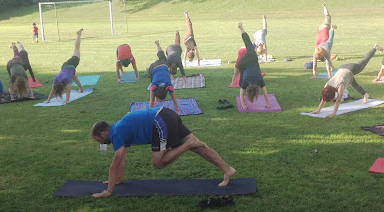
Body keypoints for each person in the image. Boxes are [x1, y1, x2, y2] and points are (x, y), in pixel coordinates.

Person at [89, 107, 237, 198]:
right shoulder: (119, 129)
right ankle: (227, 169)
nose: (101, 144)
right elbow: (122, 160)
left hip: (160, 121)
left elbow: (116, 162)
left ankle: (187, 145)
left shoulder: (117, 133)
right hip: (166, 114)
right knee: (199, 147)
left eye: (98, 141)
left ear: (103, 133)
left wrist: (109, 190)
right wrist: (117, 179)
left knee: (158, 162)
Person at [313, 44, 383, 116]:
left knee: (364, 61)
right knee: (354, 85)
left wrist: (334, 113)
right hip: (343, 69)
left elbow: (338, 101)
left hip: (351, 69)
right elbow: (324, 98)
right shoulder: (327, 86)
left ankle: (375, 48)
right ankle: (366, 95)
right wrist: (318, 110)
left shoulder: (340, 86)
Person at [238, 22, 271, 110]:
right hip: (245, 63)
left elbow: (241, 94)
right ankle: (241, 29)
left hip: (248, 60)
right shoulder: (249, 81)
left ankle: (241, 29)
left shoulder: (259, 79)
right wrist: (268, 104)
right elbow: (265, 94)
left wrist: (243, 105)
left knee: (248, 43)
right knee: (241, 81)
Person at [46, 29, 84, 104]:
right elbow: (54, 90)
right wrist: (48, 100)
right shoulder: (56, 80)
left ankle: (79, 34)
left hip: (71, 65)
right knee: (73, 76)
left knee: (76, 48)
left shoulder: (66, 81)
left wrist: (66, 100)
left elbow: (68, 91)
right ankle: (81, 88)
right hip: (64, 66)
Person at [147, 40, 180, 113]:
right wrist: (177, 110)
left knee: (153, 79)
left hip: (160, 65)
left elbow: (151, 100)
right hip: (156, 67)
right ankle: (158, 44)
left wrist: (150, 111)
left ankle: (158, 44)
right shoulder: (167, 85)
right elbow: (174, 98)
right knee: (152, 78)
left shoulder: (167, 84)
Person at [311, 3, 336, 79]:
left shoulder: (327, 48)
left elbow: (327, 63)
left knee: (328, 17)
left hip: (324, 28)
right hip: (322, 29)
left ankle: (332, 28)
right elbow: (314, 64)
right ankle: (324, 6)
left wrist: (329, 75)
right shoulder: (316, 52)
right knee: (327, 16)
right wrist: (314, 75)